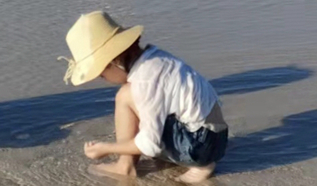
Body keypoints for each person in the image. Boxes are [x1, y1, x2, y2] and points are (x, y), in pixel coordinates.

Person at [62, 11, 228, 183]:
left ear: (113, 61)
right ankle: (189, 159)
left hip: (198, 148)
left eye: (102, 75)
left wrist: (107, 148)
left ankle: (126, 166)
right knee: (130, 96)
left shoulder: (145, 81)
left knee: (124, 96)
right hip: (214, 138)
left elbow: (150, 145)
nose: (103, 79)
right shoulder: (155, 58)